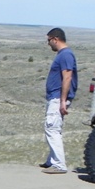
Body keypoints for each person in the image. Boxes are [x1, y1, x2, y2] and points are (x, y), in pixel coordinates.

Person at [41, 27, 77, 174]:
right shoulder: (64, 55)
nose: (48, 43)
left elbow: (67, 77)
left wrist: (62, 100)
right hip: (56, 97)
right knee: (53, 127)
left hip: (57, 98)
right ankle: (52, 160)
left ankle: (59, 164)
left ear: (55, 39)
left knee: (52, 128)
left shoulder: (66, 55)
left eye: (49, 40)